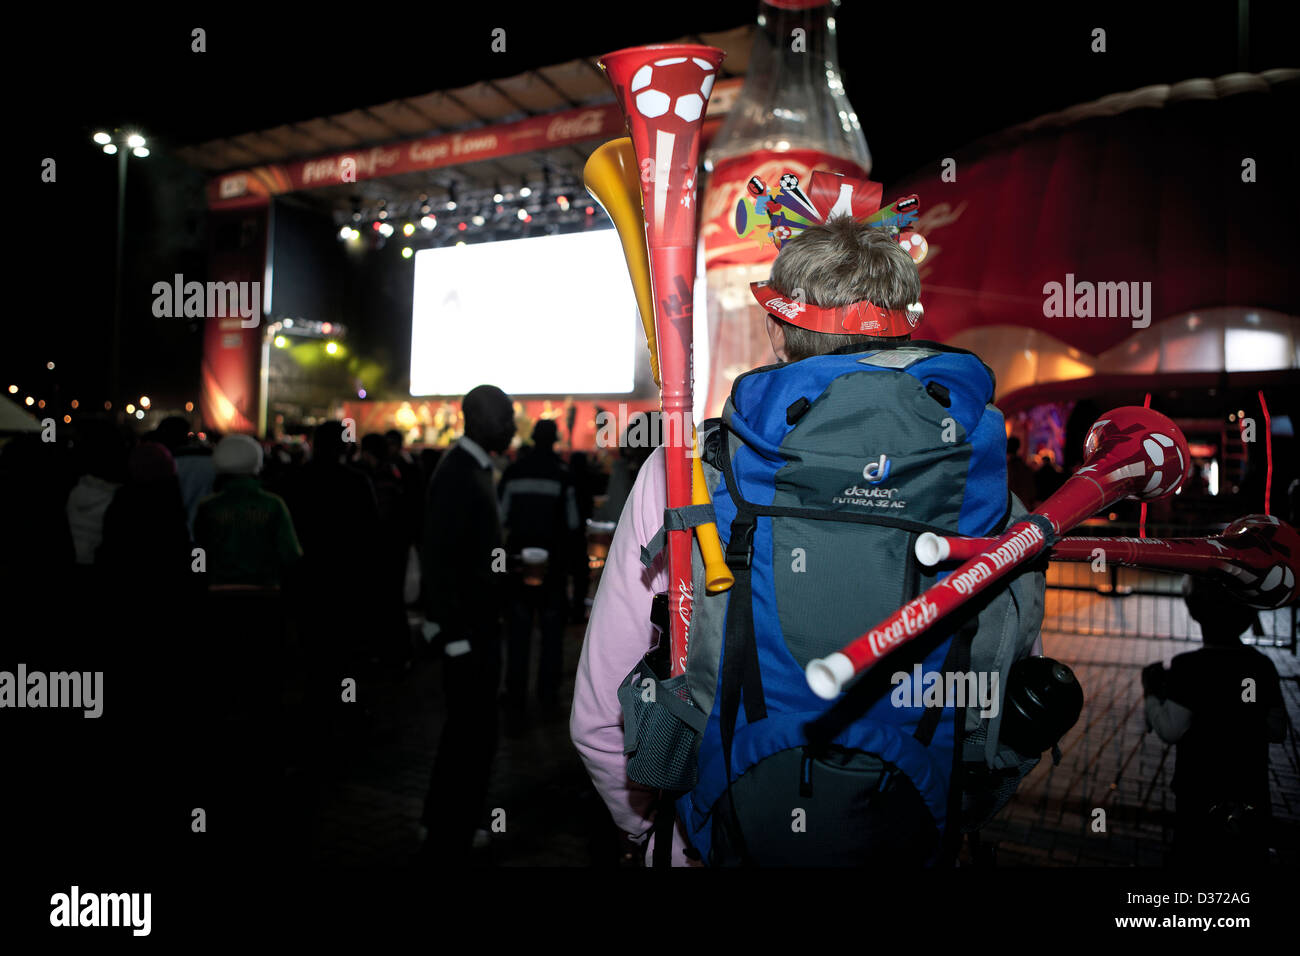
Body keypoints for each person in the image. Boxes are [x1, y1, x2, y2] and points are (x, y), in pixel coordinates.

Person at [572, 212, 1038, 866]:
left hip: (721, 836)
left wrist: (666, 837)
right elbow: (999, 713)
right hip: (909, 833)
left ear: (776, 330)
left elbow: (599, 717)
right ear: (909, 324)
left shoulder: (689, 473)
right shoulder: (985, 489)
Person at [418, 384, 516, 864]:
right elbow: (439, 556)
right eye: (506, 417)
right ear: (480, 420)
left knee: (468, 732)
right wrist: (453, 635)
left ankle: (443, 819)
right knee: (471, 735)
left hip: (476, 627)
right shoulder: (459, 472)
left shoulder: (474, 468)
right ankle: (451, 830)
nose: (512, 426)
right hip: (469, 634)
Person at [1143, 578, 1286, 865]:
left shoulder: (1189, 667)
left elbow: (1171, 729)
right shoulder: (1261, 666)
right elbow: (1276, 729)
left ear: (1196, 613)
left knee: (1198, 851)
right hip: (1249, 785)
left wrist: (1151, 695)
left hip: (1199, 786)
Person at [498, 419, 579, 726]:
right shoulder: (562, 473)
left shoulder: (514, 471)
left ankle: (515, 693)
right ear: (555, 440)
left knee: (517, 632)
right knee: (551, 633)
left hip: (519, 565)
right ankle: (547, 694)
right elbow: (572, 525)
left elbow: (500, 517)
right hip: (553, 567)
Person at [1005, 436, 1036, 509]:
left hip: (1011, 509)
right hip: (1023, 507)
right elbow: (1032, 491)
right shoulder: (1025, 468)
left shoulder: (1007, 469)